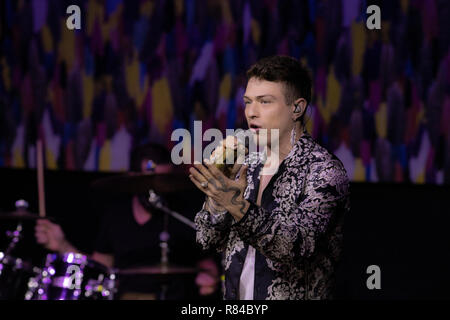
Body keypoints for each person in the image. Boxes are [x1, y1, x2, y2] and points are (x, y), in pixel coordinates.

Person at [189, 55, 350, 300]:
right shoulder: (246, 164)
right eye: (247, 102)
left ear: (297, 108)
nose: (251, 112)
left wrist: (236, 205)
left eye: (265, 102)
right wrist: (216, 200)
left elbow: (295, 248)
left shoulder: (324, 171)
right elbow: (206, 240)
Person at [35, 143, 220, 300]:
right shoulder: (116, 216)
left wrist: (209, 281)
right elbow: (99, 267)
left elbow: (207, 266)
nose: (158, 188)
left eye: (164, 180)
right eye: (151, 180)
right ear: (133, 177)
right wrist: (63, 245)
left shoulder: (180, 215)